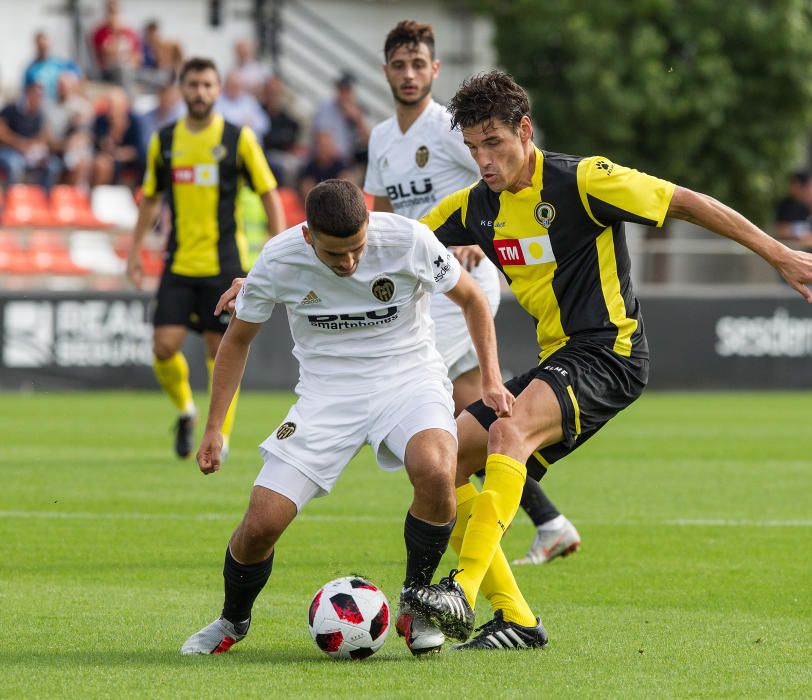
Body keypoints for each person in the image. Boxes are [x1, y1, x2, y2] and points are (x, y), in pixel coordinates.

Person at [394, 71, 812, 650]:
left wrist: (779, 254)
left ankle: (463, 589)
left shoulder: (583, 180)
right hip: (559, 359)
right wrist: (281, 267)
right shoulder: (476, 206)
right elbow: (389, 239)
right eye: (473, 148)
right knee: (444, 464)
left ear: (524, 131)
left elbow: (689, 203)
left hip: (611, 351)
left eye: (494, 143)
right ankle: (518, 620)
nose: (484, 160)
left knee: (508, 431)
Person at [180, 179, 512, 655]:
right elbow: (236, 341)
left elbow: (473, 299)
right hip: (326, 395)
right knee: (260, 525)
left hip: (409, 378)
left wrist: (492, 380)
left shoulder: (406, 239)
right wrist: (214, 427)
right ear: (308, 236)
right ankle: (232, 620)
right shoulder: (279, 259)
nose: (349, 263)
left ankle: (417, 603)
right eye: (335, 256)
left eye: (357, 250)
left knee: (437, 468)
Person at [365, 20, 580, 580]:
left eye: (419, 65)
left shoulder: (451, 127)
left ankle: (481, 529)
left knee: (447, 410)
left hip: (462, 284)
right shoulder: (382, 139)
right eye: (399, 65)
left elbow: (502, 177)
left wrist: (478, 238)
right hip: (419, 282)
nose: (409, 75)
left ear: (435, 70)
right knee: (473, 414)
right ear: (386, 71)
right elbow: (386, 213)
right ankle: (548, 523)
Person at [127, 57, 284, 461]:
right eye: (193, 85)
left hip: (224, 266)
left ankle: (221, 439)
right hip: (178, 264)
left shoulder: (237, 139)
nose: (200, 92)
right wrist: (134, 250)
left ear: (218, 90)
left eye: (207, 85)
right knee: (163, 347)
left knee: (222, 355)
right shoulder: (164, 141)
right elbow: (150, 198)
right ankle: (186, 410)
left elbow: (268, 191)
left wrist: (277, 242)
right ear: (182, 89)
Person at [0, 82, 62, 191]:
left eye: (40, 96)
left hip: (29, 154)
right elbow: (2, 132)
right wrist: (19, 144)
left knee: (53, 165)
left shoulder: (39, 115)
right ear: (27, 94)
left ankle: (42, 200)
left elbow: (43, 135)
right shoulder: (10, 109)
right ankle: (12, 199)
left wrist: (33, 147)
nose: (39, 99)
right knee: (15, 164)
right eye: (36, 95)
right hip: (8, 151)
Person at [311, 72, 370, 168]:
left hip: (349, 160)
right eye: (341, 89)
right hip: (333, 160)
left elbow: (371, 142)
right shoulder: (326, 106)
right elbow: (323, 141)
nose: (343, 94)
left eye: (347, 90)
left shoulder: (359, 109)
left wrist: (358, 121)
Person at [91, 88, 144, 186]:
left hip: (128, 162)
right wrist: (115, 130)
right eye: (111, 106)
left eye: (116, 106)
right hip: (106, 159)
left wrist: (118, 154)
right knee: (102, 164)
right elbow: (103, 145)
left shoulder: (134, 121)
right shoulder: (101, 120)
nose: (113, 110)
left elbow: (137, 150)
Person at [23, 31, 82, 103]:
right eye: (40, 46)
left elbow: (78, 74)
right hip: (44, 106)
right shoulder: (31, 70)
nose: (43, 49)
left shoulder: (60, 63)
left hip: (61, 103)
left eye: (45, 46)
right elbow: (26, 92)